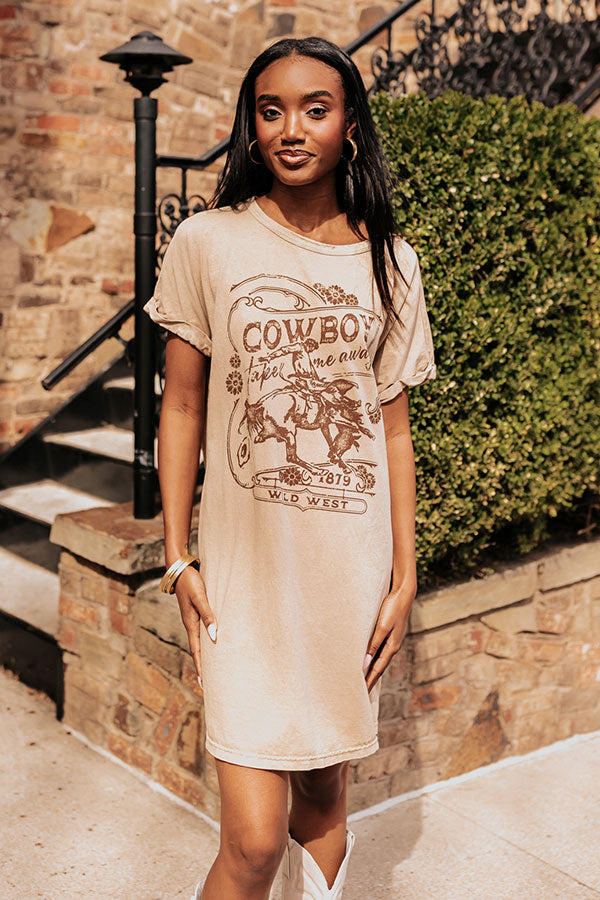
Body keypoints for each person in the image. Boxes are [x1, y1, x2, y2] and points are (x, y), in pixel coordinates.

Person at [144, 35, 436, 900]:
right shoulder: (207, 242)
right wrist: (177, 557)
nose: (292, 129)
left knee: (323, 800)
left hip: (349, 577)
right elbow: (182, 409)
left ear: (350, 126)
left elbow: (392, 432)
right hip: (245, 582)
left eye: (316, 109)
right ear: (252, 126)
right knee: (253, 843)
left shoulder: (391, 261)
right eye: (271, 111)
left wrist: (405, 575)